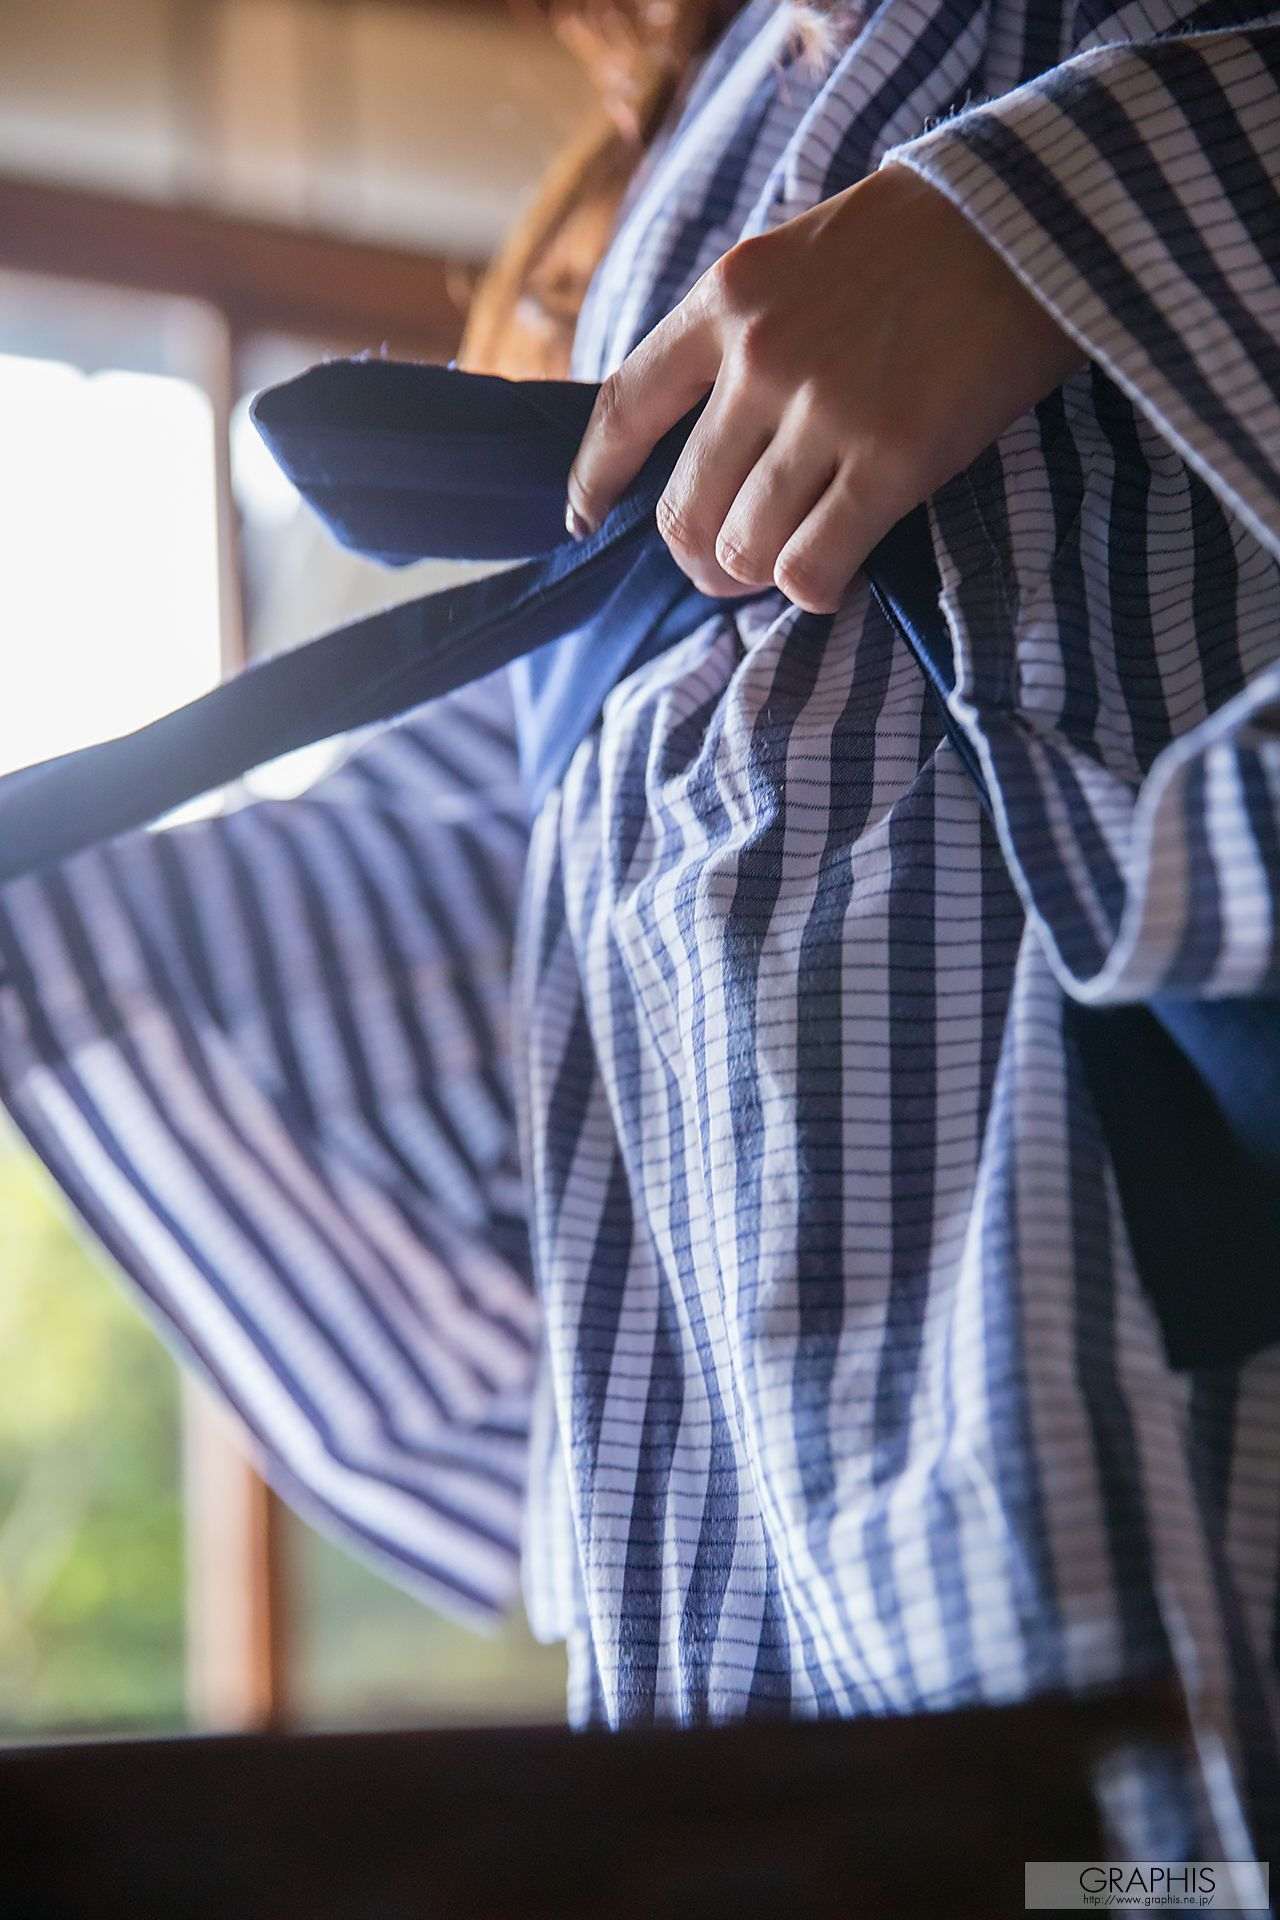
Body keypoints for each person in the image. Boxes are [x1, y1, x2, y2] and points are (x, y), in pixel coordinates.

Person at [2, 0, 1278, 1863]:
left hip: (1091, 1255)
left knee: (1137, 1862)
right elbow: (549, 831)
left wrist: (1044, 213)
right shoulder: (695, 137)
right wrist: (47, 898)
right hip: (719, 1385)